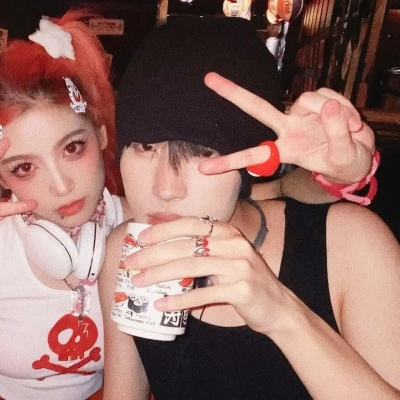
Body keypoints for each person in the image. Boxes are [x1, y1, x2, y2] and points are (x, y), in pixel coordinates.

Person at [99, 17, 400, 399]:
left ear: (249, 161)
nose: (165, 189)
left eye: (203, 152)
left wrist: (283, 315)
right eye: (145, 147)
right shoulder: (124, 252)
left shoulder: (350, 245)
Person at [0, 9, 131, 399]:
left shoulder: (142, 225)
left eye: (73, 148)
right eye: (24, 167)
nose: (61, 186)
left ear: (101, 134)